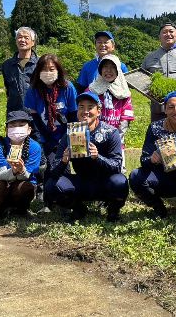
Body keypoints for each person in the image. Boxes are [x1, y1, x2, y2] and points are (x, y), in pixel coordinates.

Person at [45, 92, 128, 222]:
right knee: (52, 186)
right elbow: (54, 171)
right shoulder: (70, 134)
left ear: (99, 111)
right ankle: (78, 208)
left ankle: (113, 211)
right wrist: (63, 161)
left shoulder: (111, 132)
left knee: (120, 182)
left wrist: (98, 157)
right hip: (81, 182)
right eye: (81, 107)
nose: (85, 111)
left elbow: (117, 165)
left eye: (90, 107)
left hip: (104, 182)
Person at [0, 111, 45, 228]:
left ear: (29, 129)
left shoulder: (34, 147)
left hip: (22, 183)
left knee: (26, 187)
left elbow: (28, 175)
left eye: (21, 125)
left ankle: (21, 210)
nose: (16, 128)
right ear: (6, 129)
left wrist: (22, 170)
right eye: (12, 125)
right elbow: (0, 174)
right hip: (3, 183)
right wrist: (13, 171)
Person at [24, 54, 78, 158]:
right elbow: (35, 120)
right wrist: (45, 140)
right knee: (48, 167)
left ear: (58, 70)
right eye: (44, 69)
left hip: (66, 136)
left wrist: (65, 140)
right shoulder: (33, 90)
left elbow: (73, 116)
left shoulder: (68, 87)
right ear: (38, 71)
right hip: (45, 137)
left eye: (51, 69)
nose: (48, 73)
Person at [87, 54, 134, 150]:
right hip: (93, 141)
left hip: (116, 141)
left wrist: (116, 138)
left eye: (113, 67)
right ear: (100, 70)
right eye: (105, 67)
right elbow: (84, 114)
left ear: (118, 70)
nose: (108, 70)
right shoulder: (91, 90)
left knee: (115, 164)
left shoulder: (124, 92)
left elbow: (125, 118)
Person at [1, 27, 39, 114]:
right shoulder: (7, 65)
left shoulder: (41, 63)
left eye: (26, 37)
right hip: (15, 115)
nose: (22, 40)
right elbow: (8, 91)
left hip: (37, 114)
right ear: (16, 41)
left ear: (33, 42)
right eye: (19, 37)